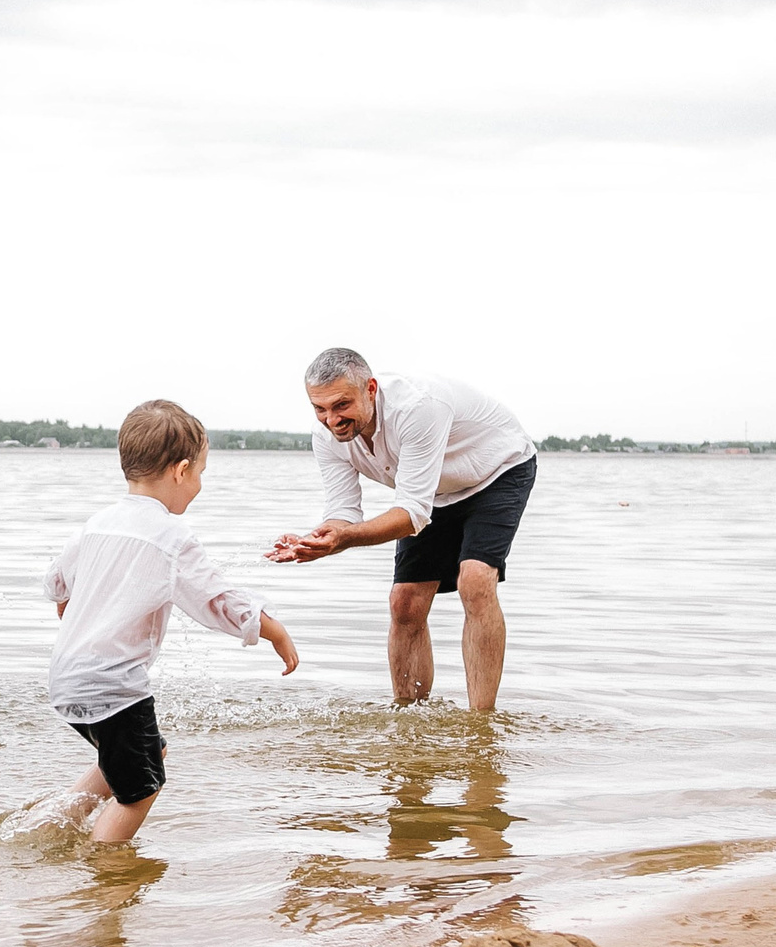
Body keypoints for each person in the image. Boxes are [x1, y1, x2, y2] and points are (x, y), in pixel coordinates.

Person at [46, 399, 298, 843]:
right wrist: (271, 628)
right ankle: (103, 871)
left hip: (67, 675)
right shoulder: (170, 536)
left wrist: (69, 606)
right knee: (141, 790)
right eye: (200, 473)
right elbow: (216, 597)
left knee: (143, 755)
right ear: (181, 471)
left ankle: (52, 822)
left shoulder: (97, 522)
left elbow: (57, 581)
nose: (199, 484)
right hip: (113, 683)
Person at [267, 348, 535, 709]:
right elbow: (343, 511)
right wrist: (318, 539)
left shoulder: (419, 408)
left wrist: (343, 540)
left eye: (341, 405)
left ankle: (481, 722)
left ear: (371, 389)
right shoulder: (327, 437)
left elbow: (411, 514)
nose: (332, 420)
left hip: (497, 471)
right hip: (433, 493)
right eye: (320, 409)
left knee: (474, 579)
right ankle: (408, 716)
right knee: (405, 603)